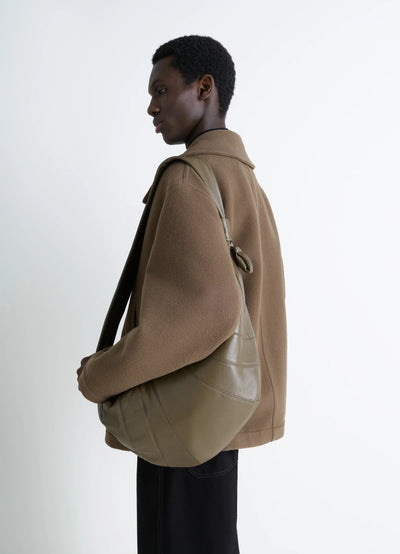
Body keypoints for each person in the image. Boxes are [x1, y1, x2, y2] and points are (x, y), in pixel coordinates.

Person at [77, 35, 287, 554]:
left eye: (162, 90)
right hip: (220, 416)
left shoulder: (189, 180)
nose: (152, 107)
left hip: (182, 417)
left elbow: (205, 313)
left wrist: (100, 376)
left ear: (204, 87)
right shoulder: (245, 182)